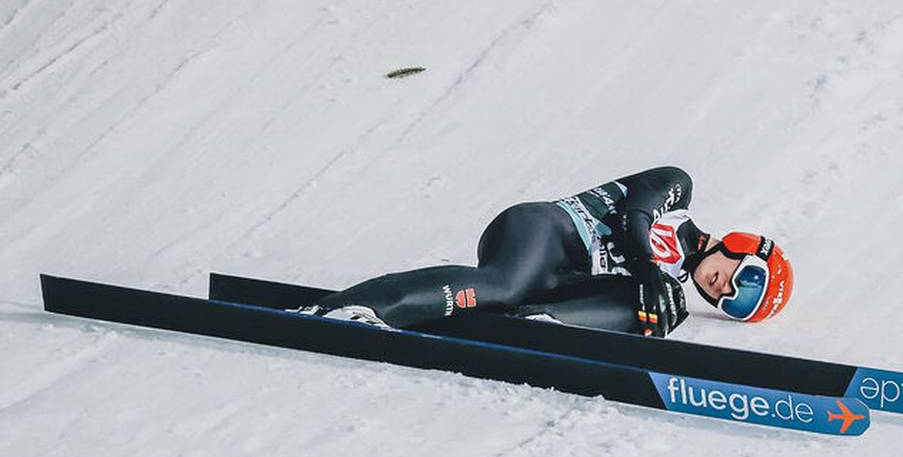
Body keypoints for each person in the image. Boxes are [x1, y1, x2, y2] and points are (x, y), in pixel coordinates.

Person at [299, 167, 793, 337]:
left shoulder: (668, 289)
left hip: (559, 281)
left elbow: (641, 295)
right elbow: (633, 217)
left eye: (739, 303)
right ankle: (352, 309)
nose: (727, 291)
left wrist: (650, 298)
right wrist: (645, 268)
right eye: (745, 279)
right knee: (503, 283)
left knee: (658, 313)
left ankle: (539, 324)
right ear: (742, 247)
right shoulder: (677, 189)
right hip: (545, 232)